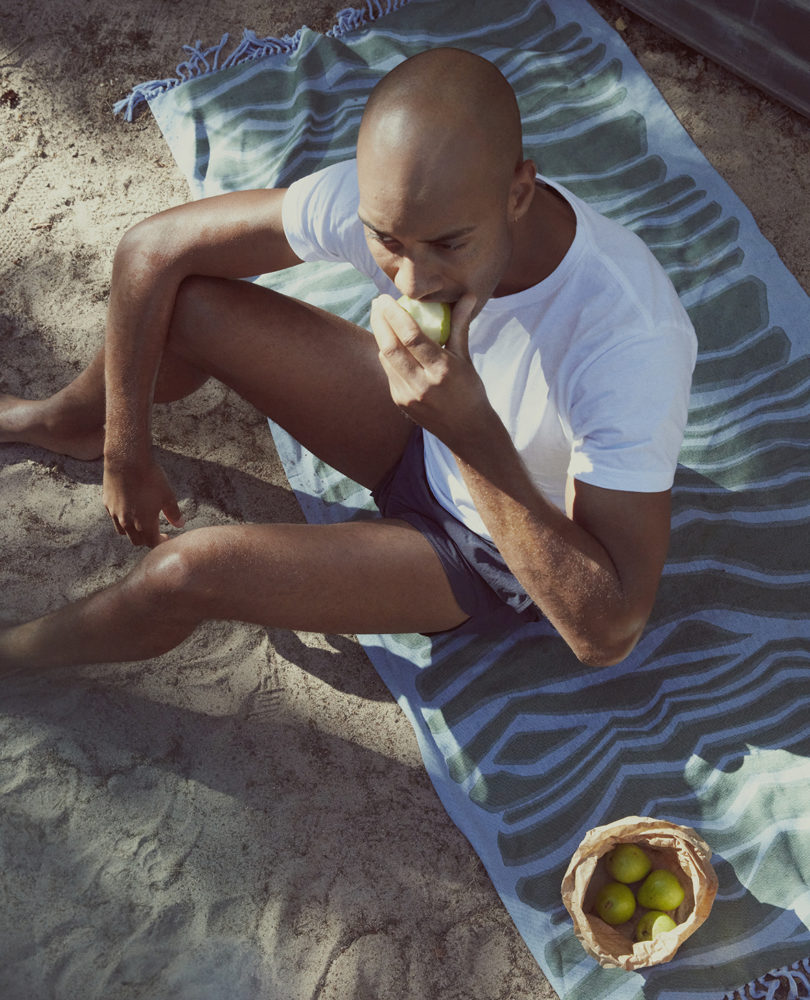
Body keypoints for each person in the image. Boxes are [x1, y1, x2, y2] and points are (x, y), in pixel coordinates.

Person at [0, 47, 696, 674]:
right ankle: (67, 421)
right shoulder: (406, 206)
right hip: (422, 436)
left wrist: (467, 429)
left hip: (491, 551)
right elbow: (150, 250)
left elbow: (606, 630)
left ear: (518, 192)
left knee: (180, 573)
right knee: (182, 308)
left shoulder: (630, 336)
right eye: (386, 241)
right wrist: (127, 447)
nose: (411, 282)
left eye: (449, 246)